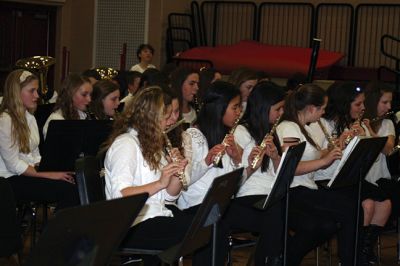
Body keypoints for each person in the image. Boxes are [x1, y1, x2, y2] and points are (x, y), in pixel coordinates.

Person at [102, 86, 202, 265]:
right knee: (204, 230)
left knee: (209, 222)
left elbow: (169, 197)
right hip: (131, 224)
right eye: (166, 116)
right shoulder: (126, 145)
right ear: (151, 117)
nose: (170, 121)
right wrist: (159, 183)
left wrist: (176, 172)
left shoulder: (152, 144)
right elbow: (120, 196)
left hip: (156, 214)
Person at [276, 84, 357, 266]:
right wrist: (325, 161)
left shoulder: (301, 126)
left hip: (305, 188)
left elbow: (313, 154)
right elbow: (290, 168)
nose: (323, 113)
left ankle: (287, 258)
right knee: (351, 209)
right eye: (322, 109)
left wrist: (334, 148)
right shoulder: (289, 128)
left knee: (326, 225)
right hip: (293, 190)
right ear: (311, 108)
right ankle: (349, 261)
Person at [177, 81, 243, 265]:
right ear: (219, 108)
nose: (239, 112)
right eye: (235, 107)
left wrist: (237, 160)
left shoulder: (226, 135)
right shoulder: (193, 135)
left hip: (217, 204)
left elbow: (233, 184)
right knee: (217, 227)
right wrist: (206, 161)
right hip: (194, 206)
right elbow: (185, 180)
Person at [0, 69, 79, 209]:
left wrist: (54, 170)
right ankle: (57, 230)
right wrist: (48, 174)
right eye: (32, 91)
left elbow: (35, 155)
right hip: (8, 181)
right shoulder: (5, 120)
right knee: (68, 190)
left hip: (26, 174)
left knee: (76, 182)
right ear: (16, 92)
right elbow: (14, 165)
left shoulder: (30, 118)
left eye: (37, 91)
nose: (37, 95)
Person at [231, 81, 286, 265]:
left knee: (281, 211)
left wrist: (276, 156)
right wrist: (249, 164)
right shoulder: (241, 131)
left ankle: (269, 259)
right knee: (275, 215)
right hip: (247, 194)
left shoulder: (271, 130)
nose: (281, 114)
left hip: (269, 193)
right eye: (277, 109)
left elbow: (277, 173)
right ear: (264, 107)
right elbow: (233, 174)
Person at [361, 82, 394, 264]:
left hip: (379, 177)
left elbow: (388, 149)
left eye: (390, 102)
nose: (389, 107)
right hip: (361, 177)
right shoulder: (355, 120)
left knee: (387, 204)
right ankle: (359, 249)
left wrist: (371, 131)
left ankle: (367, 248)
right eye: (384, 102)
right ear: (374, 102)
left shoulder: (387, 123)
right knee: (369, 205)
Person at [43, 73, 92, 138]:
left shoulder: (84, 115)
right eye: (84, 94)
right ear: (70, 94)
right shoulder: (57, 119)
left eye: (90, 95)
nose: (89, 99)